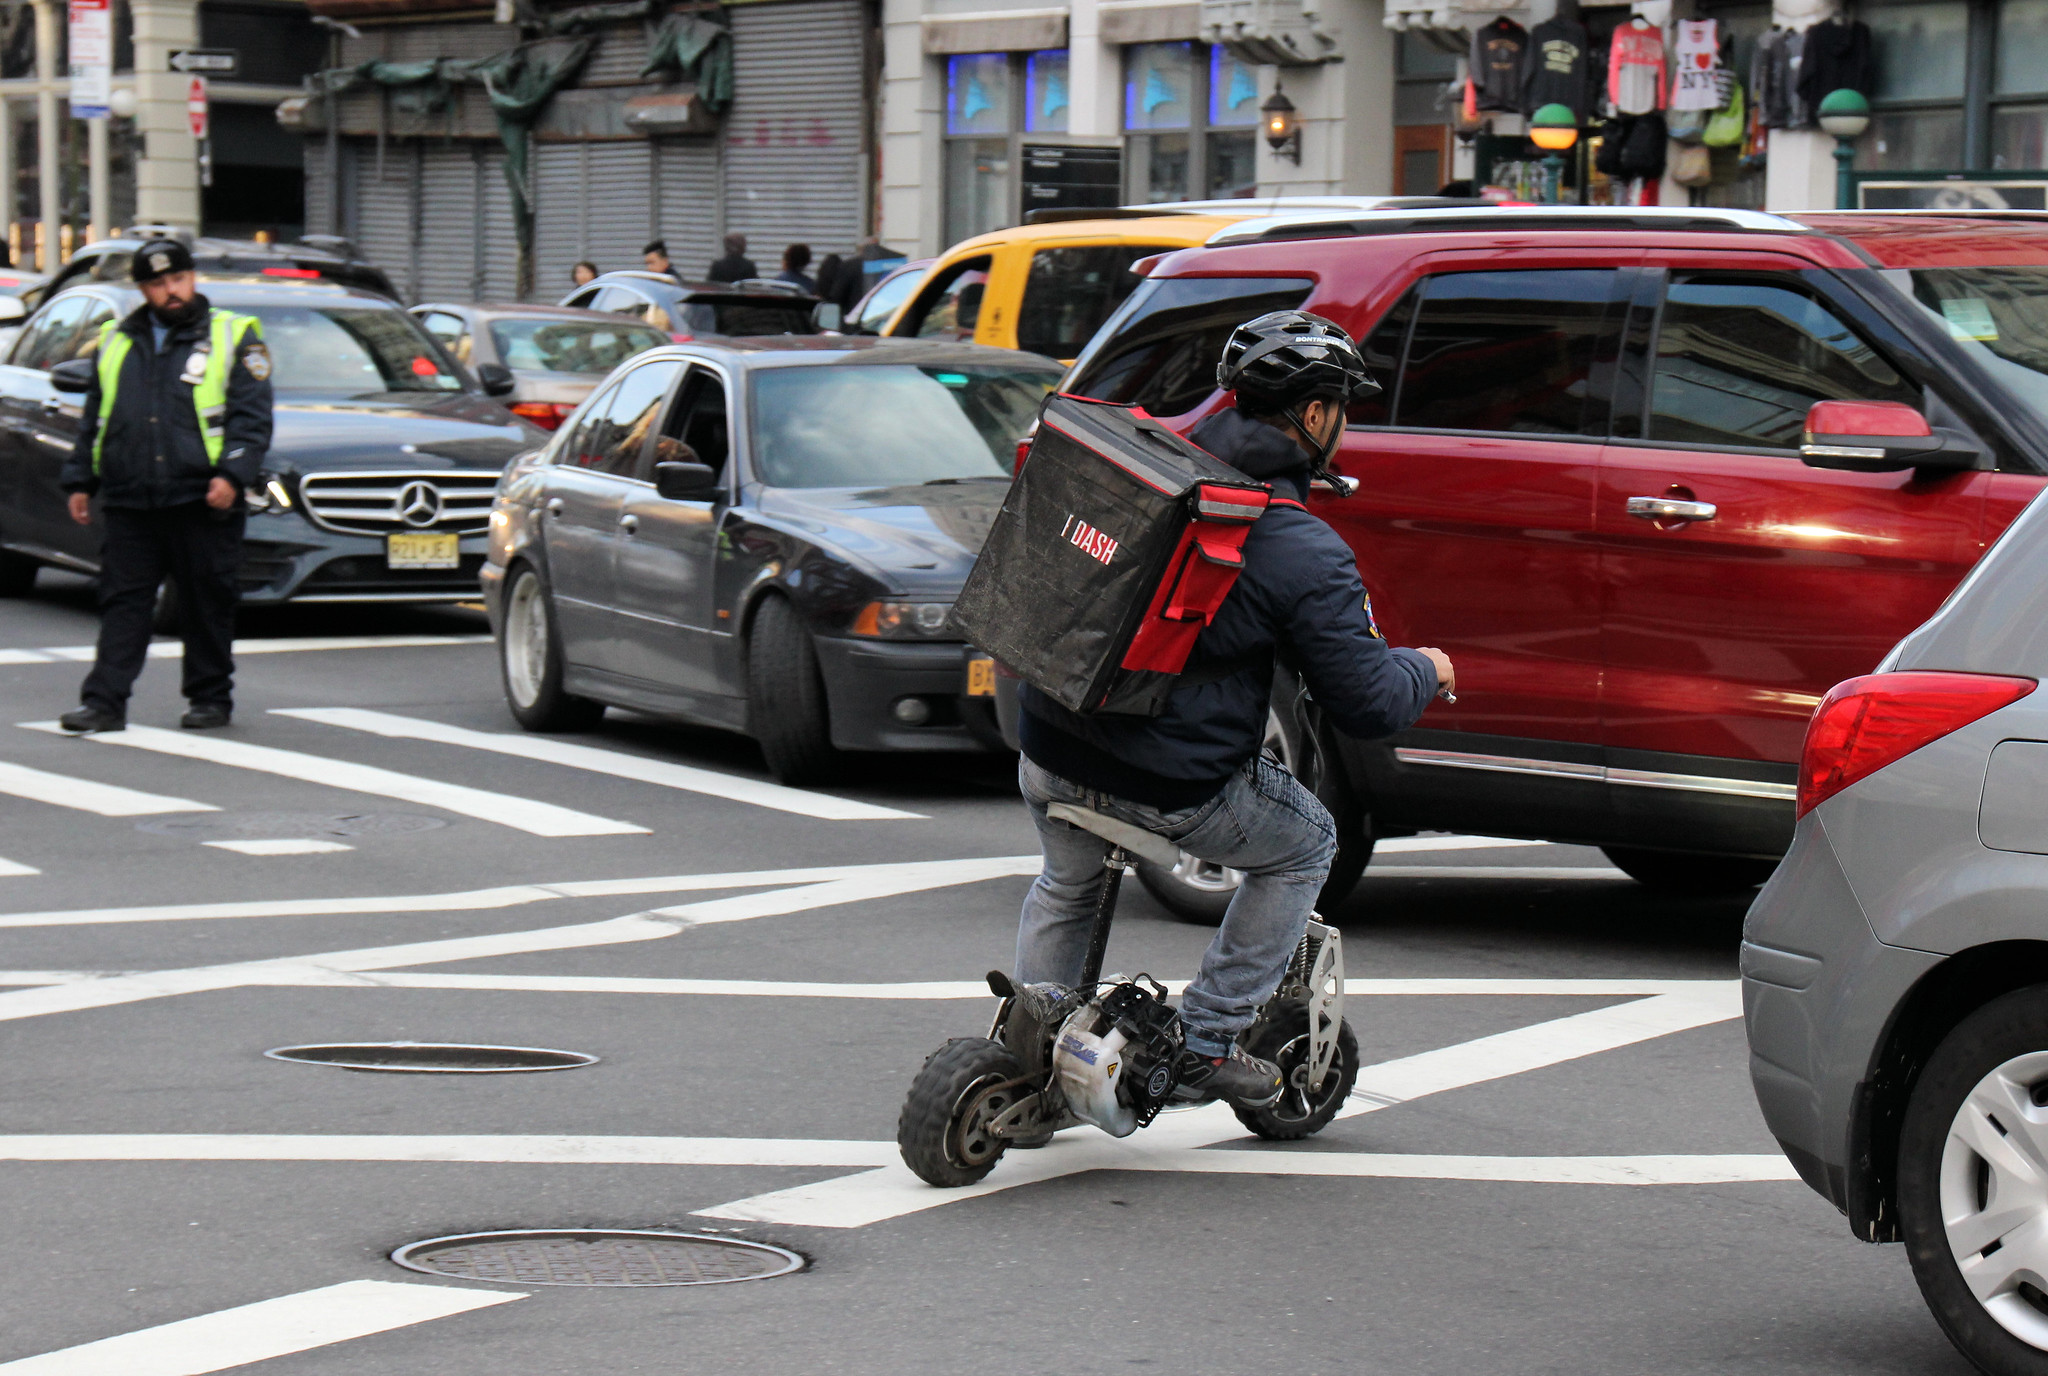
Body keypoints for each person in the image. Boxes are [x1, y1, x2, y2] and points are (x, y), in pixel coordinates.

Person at [1011, 312, 1454, 1108]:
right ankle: (1203, 1043)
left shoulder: (1141, 471)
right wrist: (1428, 667)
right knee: (1306, 843)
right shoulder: (1296, 545)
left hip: (1049, 747)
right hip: (1169, 782)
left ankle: (1032, 1041)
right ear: (1315, 416)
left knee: (1068, 875)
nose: (1344, 424)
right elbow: (1369, 701)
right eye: (1344, 408)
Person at [55, 239, 274, 733]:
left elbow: (251, 420)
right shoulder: (114, 340)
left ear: (192, 278)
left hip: (202, 497)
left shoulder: (233, 335)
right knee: (122, 603)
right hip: (133, 497)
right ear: (142, 289)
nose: (170, 292)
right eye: (157, 284)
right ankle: (105, 703)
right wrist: (80, 481)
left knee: (206, 601)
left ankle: (210, 698)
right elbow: (96, 418)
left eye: (177, 280)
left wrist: (231, 476)